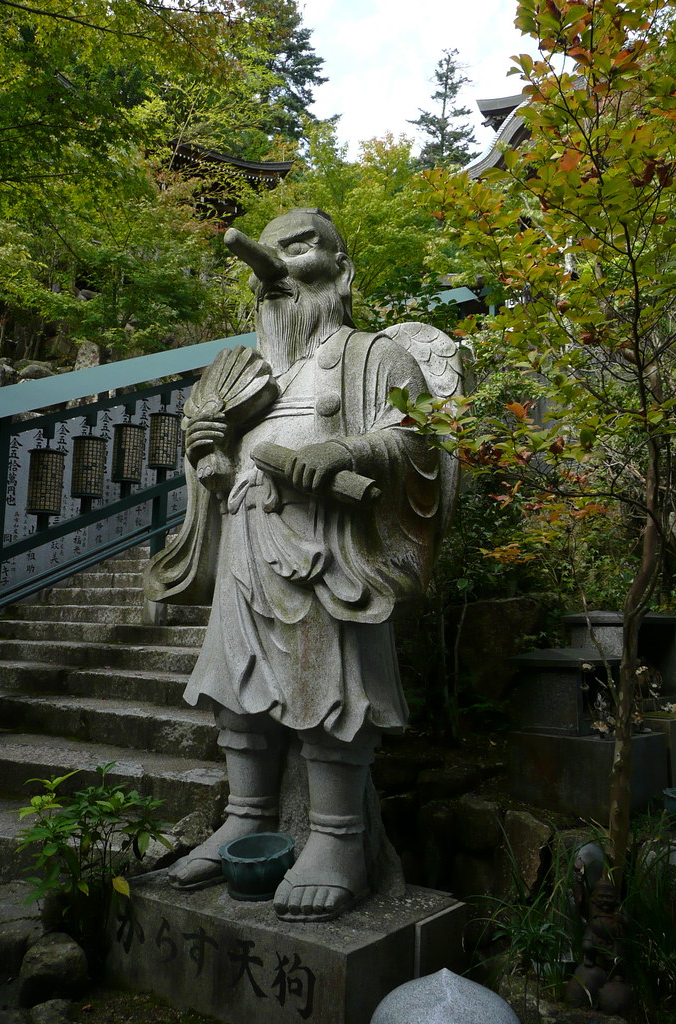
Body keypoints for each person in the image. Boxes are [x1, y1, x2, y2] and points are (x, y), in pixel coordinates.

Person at [145, 208, 460, 921]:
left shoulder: (373, 356)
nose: (278, 266)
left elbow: (418, 438)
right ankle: (247, 814)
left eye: (300, 247)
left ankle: (339, 837)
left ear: (341, 269)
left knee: (329, 684)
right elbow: (216, 462)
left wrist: (343, 450)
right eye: (271, 254)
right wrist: (207, 451)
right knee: (237, 679)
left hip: (327, 545)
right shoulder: (253, 374)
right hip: (246, 534)